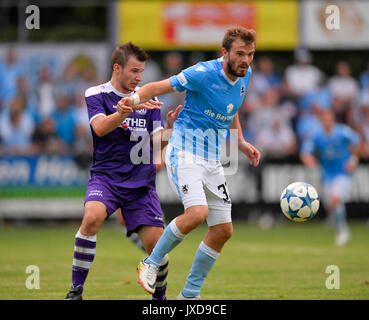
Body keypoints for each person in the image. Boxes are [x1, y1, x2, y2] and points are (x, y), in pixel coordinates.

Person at [120, 26, 261, 300]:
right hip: (184, 150)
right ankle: (150, 264)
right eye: (240, 54)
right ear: (225, 53)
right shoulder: (204, 73)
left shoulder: (246, 75)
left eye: (251, 54)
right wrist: (134, 99)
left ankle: (190, 294)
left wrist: (241, 141)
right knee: (196, 213)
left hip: (212, 160)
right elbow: (157, 87)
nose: (245, 60)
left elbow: (231, 108)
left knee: (222, 230)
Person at [64, 42, 181, 300]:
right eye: (134, 71)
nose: (139, 78)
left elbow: (157, 141)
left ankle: (159, 301)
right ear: (117, 68)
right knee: (92, 218)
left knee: (157, 247)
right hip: (106, 178)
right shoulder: (96, 94)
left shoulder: (148, 101)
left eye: (141, 72)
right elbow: (100, 129)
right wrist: (125, 110)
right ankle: (76, 291)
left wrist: (170, 128)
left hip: (140, 183)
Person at [300, 109, 360, 246]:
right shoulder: (317, 136)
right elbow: (305, 151)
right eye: (324, 119)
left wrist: (353, 159)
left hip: (342, 174)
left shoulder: (343, 132)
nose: (326, 121)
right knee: (330, 204)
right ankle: (335, 220)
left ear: (332, 119)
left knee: (335, 200)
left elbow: (357, 142)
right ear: (321, 121)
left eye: (329, 119)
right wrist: (308, 159)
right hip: (326, 175)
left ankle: (343, 231)